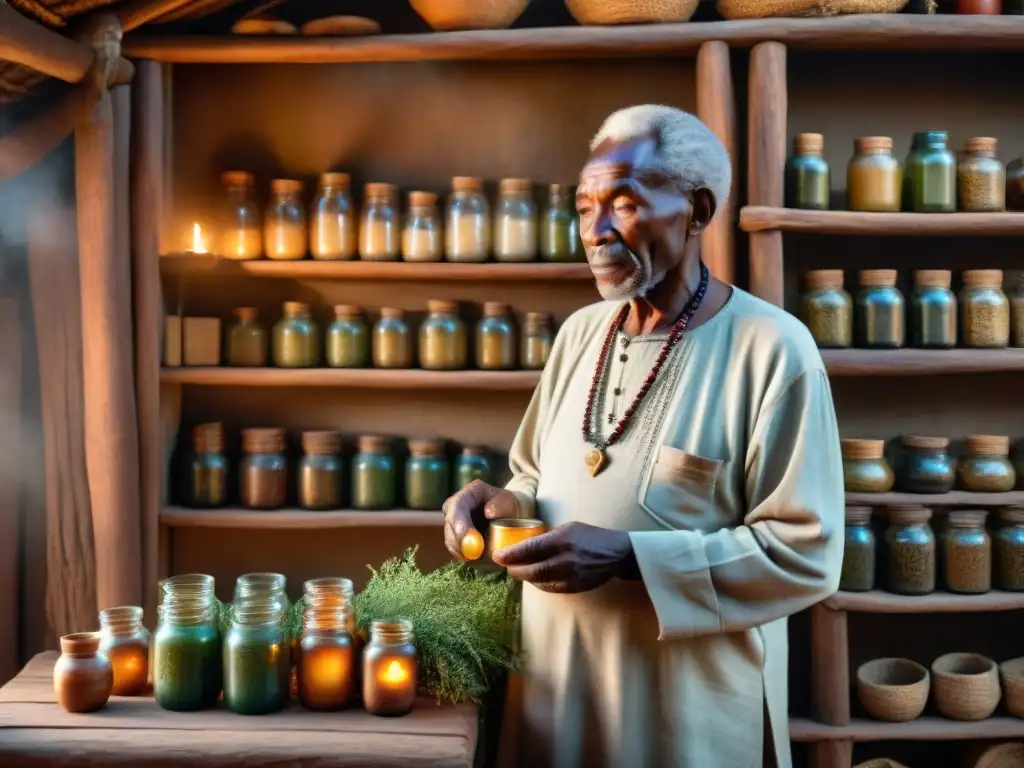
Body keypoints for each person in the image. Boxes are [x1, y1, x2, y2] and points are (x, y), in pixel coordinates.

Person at [442, 104, 843, 768]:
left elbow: (806, 553)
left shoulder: (774, 350)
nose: (595, 231)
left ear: (698, 209)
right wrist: (503, 504)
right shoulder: (579, 334)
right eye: (583, 207)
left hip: (687, 720)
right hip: (555, 695)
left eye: (624, 205)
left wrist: (631, 557)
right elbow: (537, 475)